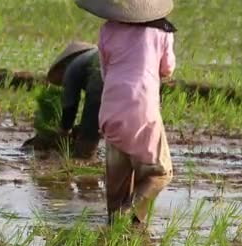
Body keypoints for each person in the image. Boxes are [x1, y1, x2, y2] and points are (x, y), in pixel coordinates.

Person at [75, 0, 176, 225]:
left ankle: (116, 225)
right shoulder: (162, 31)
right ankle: (128, 215)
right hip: (142, 108)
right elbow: (167, 69)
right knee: (158, 173)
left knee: (117, 188)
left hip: (111, 107)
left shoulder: (108, 29)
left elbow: (105, 69)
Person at [47, 41, 103, 159]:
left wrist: (65, 129)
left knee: (91, 121)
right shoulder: (92, 56)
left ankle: (85, 156)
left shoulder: (72, 67)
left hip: (99, 79)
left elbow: (70, 104)